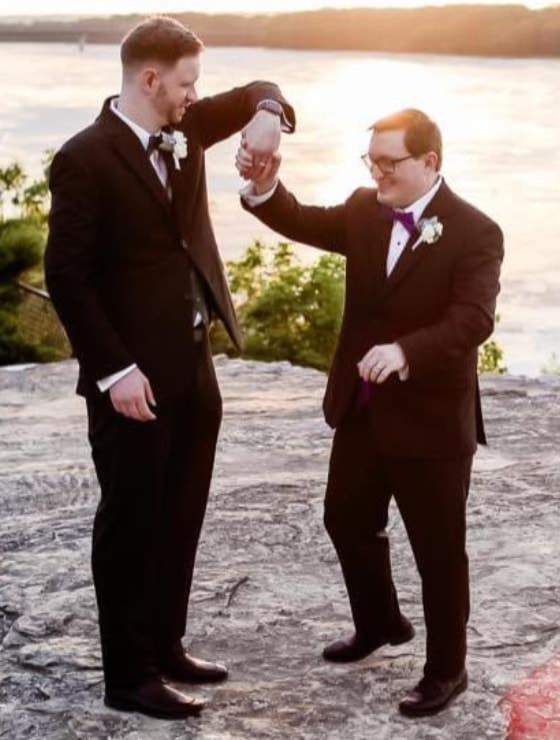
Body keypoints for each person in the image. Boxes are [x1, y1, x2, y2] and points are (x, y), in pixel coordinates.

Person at [45, 15, 295, 720]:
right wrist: (113, 371)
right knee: (130, 521)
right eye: (186, 82)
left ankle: (165, 642)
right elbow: (66, 278)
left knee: (181, 512)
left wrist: (269, 118)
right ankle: (128, 676)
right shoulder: (84, 157)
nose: (195, 95)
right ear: (150, 80)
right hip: (131, 382)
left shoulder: (184, 129)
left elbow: (258, 90)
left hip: (193, 365)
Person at [237, 108, 503, 717]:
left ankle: (446, 670)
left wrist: (407, 351)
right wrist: (263, 187)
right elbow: (303, 221)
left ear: (429, 162)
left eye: (390, 162)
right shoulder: (364, 208)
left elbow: (473, 320)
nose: (377, 172)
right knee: (345, 519)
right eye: (372, 161)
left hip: (433, 422)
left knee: (438, 549)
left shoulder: (475, 231)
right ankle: (381, 622)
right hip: (361, 409)